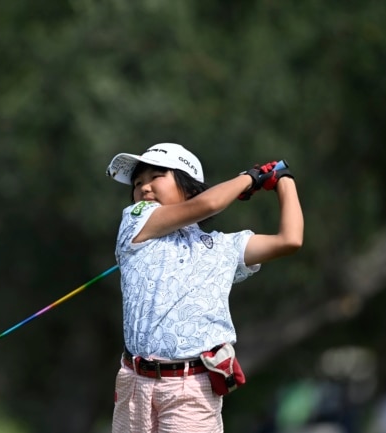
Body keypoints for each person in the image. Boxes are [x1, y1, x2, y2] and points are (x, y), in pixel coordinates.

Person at [106, 142, 304, 433]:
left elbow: (289, 239)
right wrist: (249, 178)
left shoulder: (222, 248)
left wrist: (283, 180)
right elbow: (209, 204)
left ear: (190, 188)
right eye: (137, 183)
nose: (144, 188)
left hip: (191, 390)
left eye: (156, 177)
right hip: (134, 385)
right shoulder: (136, 220)